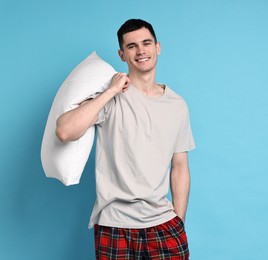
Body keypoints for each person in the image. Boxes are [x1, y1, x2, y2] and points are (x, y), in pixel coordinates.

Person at [55, 19, 195, 260]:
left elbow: (180, 166)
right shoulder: (111, 96)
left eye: (146, 43)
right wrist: (111, 91)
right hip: (115, 225)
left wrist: (178, 222)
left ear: (157, 47)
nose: (141, 51)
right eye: (132, 46)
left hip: (163, 224)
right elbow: (65, 131)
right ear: (122, 54)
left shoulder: (177, 105)